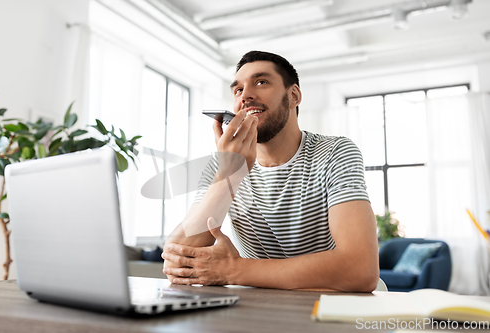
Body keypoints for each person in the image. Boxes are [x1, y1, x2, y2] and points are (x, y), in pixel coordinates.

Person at [161, 51, 379, 292]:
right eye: (238, 90)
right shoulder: (222, 165)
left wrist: (235, 270)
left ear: (294, 95)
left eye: (261, 82)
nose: (246, 96)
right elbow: (175, 263)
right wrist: (230, 173)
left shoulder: (335, 152)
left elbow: (360, 269)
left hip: (324, 306)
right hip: (259, 308)